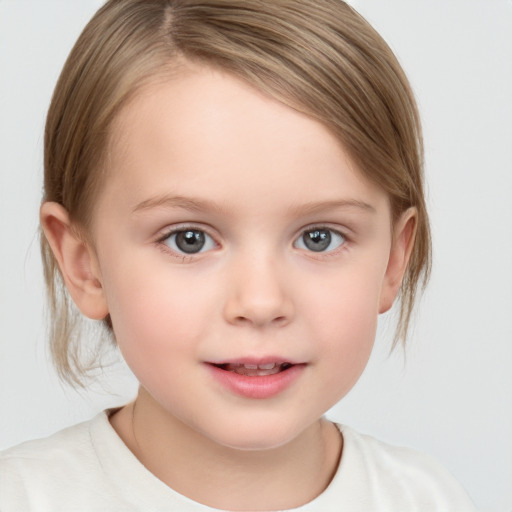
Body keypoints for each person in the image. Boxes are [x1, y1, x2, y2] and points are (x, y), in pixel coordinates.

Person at [0, 0, 477, 510]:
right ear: (83, 263)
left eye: (319, 237)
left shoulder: (425, 498)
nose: (261, 301)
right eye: (190, 239)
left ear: (392, 260)